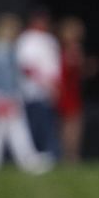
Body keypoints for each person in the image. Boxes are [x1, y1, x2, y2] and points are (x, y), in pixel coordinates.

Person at [0, 13, 50, 174]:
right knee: (4, 131)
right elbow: (0, 77)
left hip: (3, 95)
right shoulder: (1, 49)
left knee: (7, 131)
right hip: (4, 96)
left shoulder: (2, 48)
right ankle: (25, 161)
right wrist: (7, 96)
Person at [15, 9, 61, 160]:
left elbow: (54, 66)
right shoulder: (27, 39)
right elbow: (26, 66)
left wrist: (54, 85)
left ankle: (49, 154)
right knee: (34, 123)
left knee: (48, 124)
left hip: (49, 90)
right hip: (33, 90)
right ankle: (33, 155)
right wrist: (44, 82)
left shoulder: (49, 39)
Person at [56, 17, 90, 163]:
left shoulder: (71, 49)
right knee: (71, 125)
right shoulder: (66, 50)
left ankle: (71, 155)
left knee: (73, 125)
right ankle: (69, 155)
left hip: (73, 91)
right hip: (67, 92)